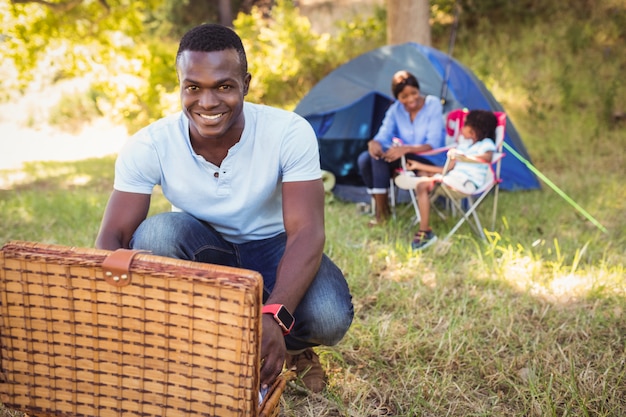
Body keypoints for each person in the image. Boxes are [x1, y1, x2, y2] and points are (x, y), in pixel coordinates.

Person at [95, 23, 353, 394]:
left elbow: (307, 232)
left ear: (245, 83)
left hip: (274, 247)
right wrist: (111, 306)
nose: (208, 102)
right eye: (193, 87)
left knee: (330, 316)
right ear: (181, 84)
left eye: (224, 86)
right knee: (158, 233)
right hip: (203, 249)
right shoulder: (149, 144)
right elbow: (113, 236)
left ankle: (293, 350)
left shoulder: (288, 132)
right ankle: (199, 351)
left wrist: (275, 317)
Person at [394, 109, 498, 250]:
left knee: (423, 185)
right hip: (451, 178)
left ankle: (425, 232)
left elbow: (487, 158)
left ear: (475, 130)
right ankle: (420, 179)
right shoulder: (464, 146)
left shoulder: (486, 144)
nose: (462, 128)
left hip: (466, 183)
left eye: (465, 124)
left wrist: (462, 157)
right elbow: (447, 169)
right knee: (424, 175)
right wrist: (419, 165)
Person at [357, 70, 445, 226]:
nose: (411, 99)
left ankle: (381, 215)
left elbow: (433, 143)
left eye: (414, 93)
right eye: (404, 96)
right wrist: (374, 143)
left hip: (429, 157)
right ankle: (383, 210)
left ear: (419, 90)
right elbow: (383, 135)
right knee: (366, 158)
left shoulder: (433, 104)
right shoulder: (395, 110)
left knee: (379, 160)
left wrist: (405, 149)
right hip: (405, 158)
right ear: (397, 98)